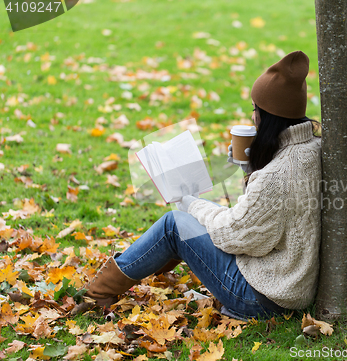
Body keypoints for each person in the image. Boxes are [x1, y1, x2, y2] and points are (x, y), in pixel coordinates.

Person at [85, 51, 322, 320]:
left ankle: (96, 292)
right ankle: (150, 261)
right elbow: (271, 218)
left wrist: (190, 203)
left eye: (256, 110)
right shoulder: (314, 148)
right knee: (194, 215)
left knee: (173, 225)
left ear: (268, 119)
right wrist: (249, 169)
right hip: (291, 283)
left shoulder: (276, 176)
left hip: (263, 298)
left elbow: (235, 235)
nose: (252, 116)